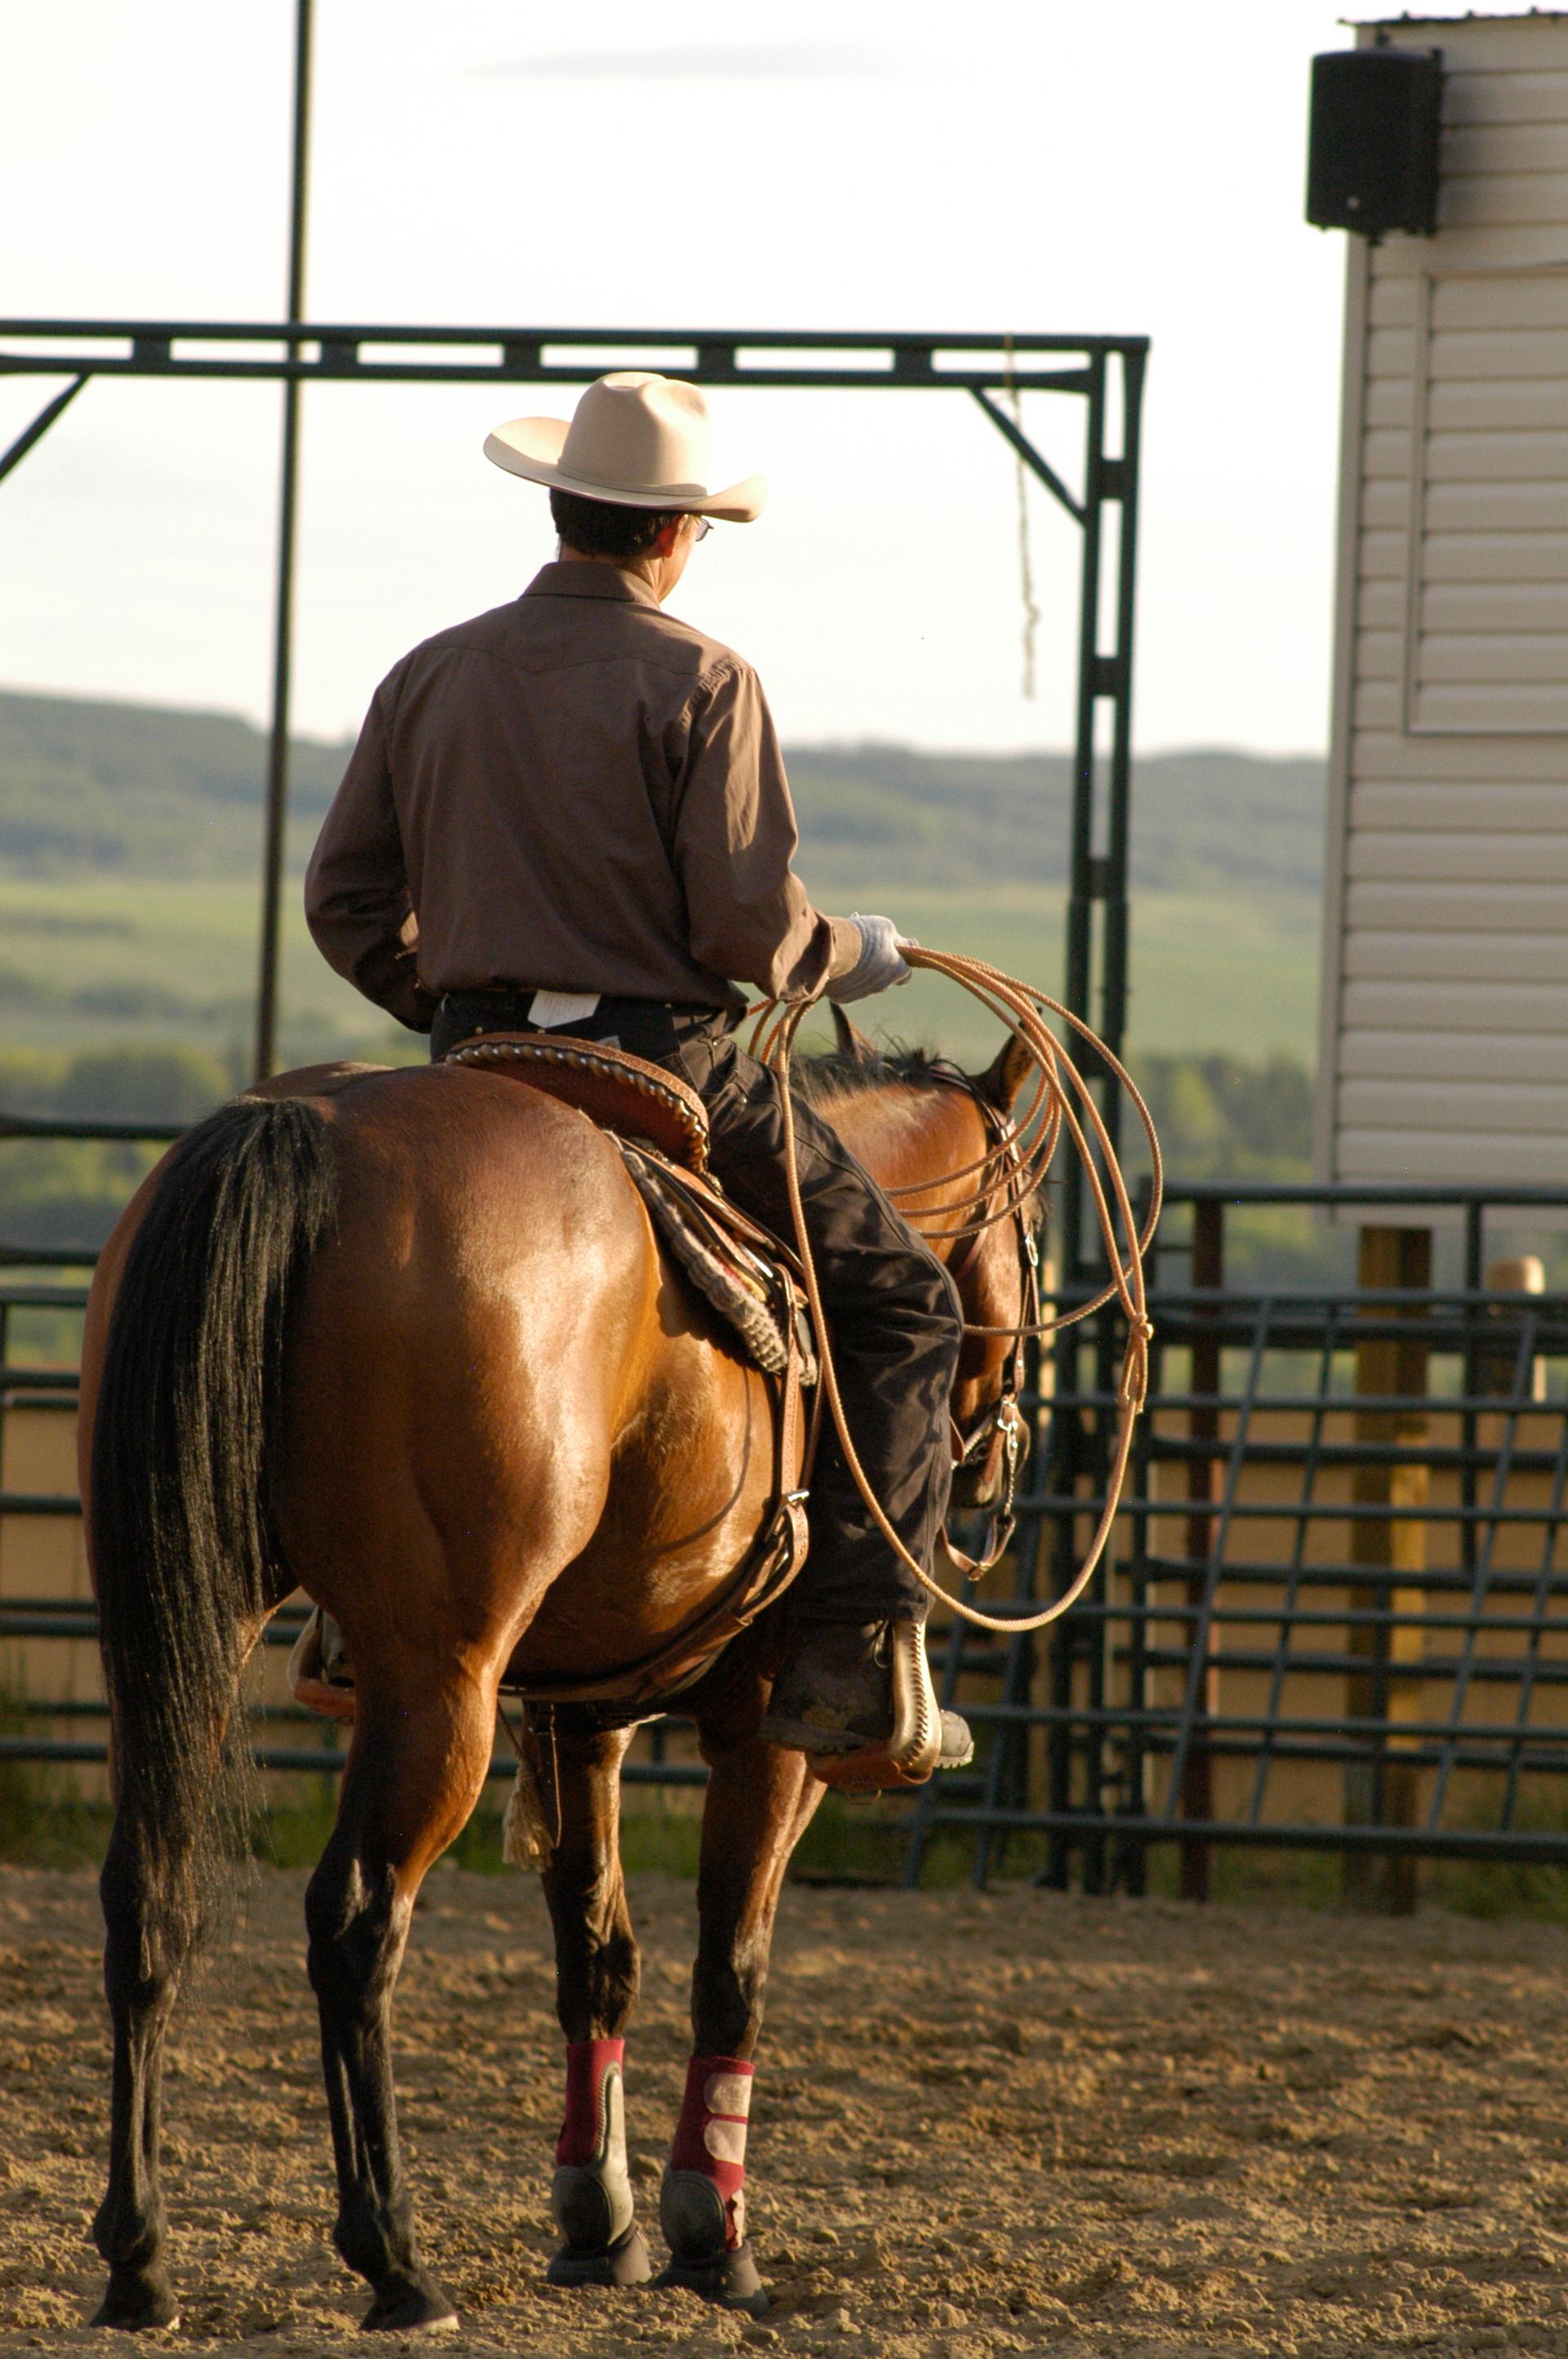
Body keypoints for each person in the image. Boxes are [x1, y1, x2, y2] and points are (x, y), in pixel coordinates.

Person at [304, 370, 972, 1792]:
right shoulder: (706, 681)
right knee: (906, 1299)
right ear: (675, 535)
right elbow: (745, 934)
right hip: (661, 1068)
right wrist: (846, 951)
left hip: (481, 1057)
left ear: (559, 510)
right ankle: (857, 1647)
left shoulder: (431, 671)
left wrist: (453, 1000)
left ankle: (342, 1609)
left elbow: (346, 898)